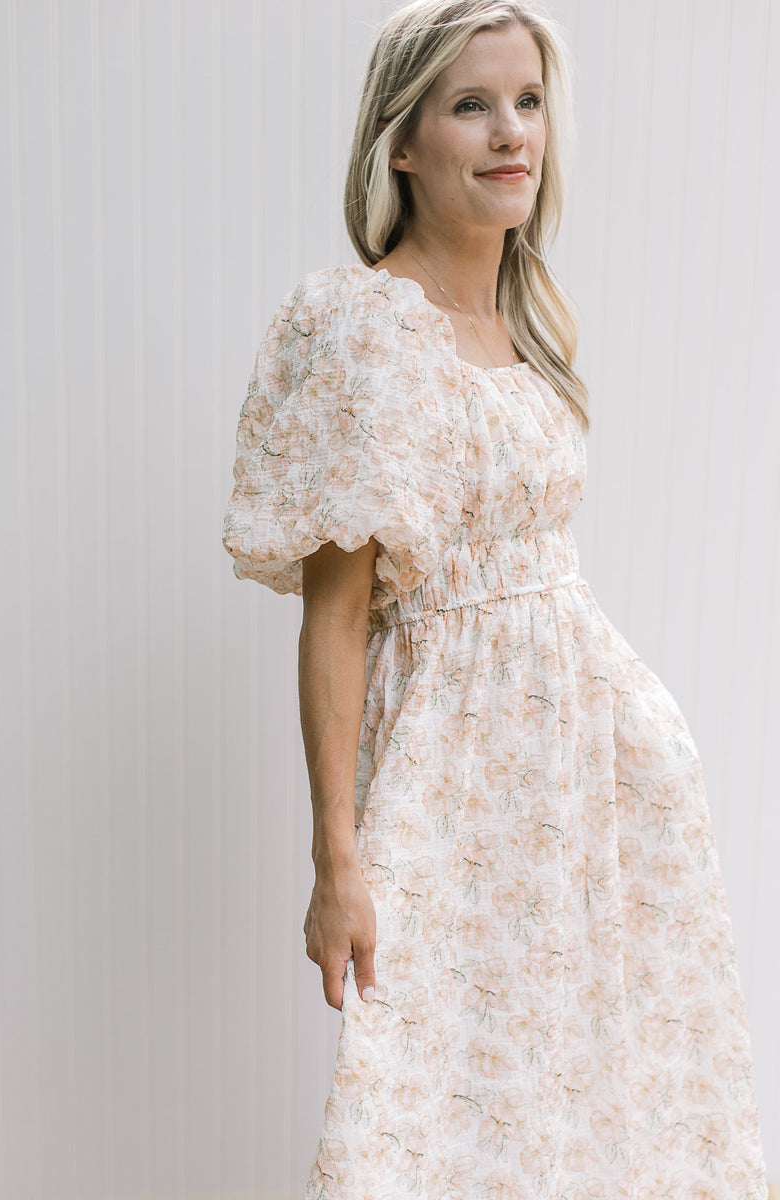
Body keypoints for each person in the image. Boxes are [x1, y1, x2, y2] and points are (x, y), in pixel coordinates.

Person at [222, 0, 769, 1195]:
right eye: (470, 104)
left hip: (589, 776)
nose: (511, 132)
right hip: (453, 769)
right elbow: (337, 613)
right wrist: (337, 860)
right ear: (400, 143)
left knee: (583, 1091)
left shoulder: (524, 320)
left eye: (525, 102)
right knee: (429, 1109)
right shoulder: (359, 327)